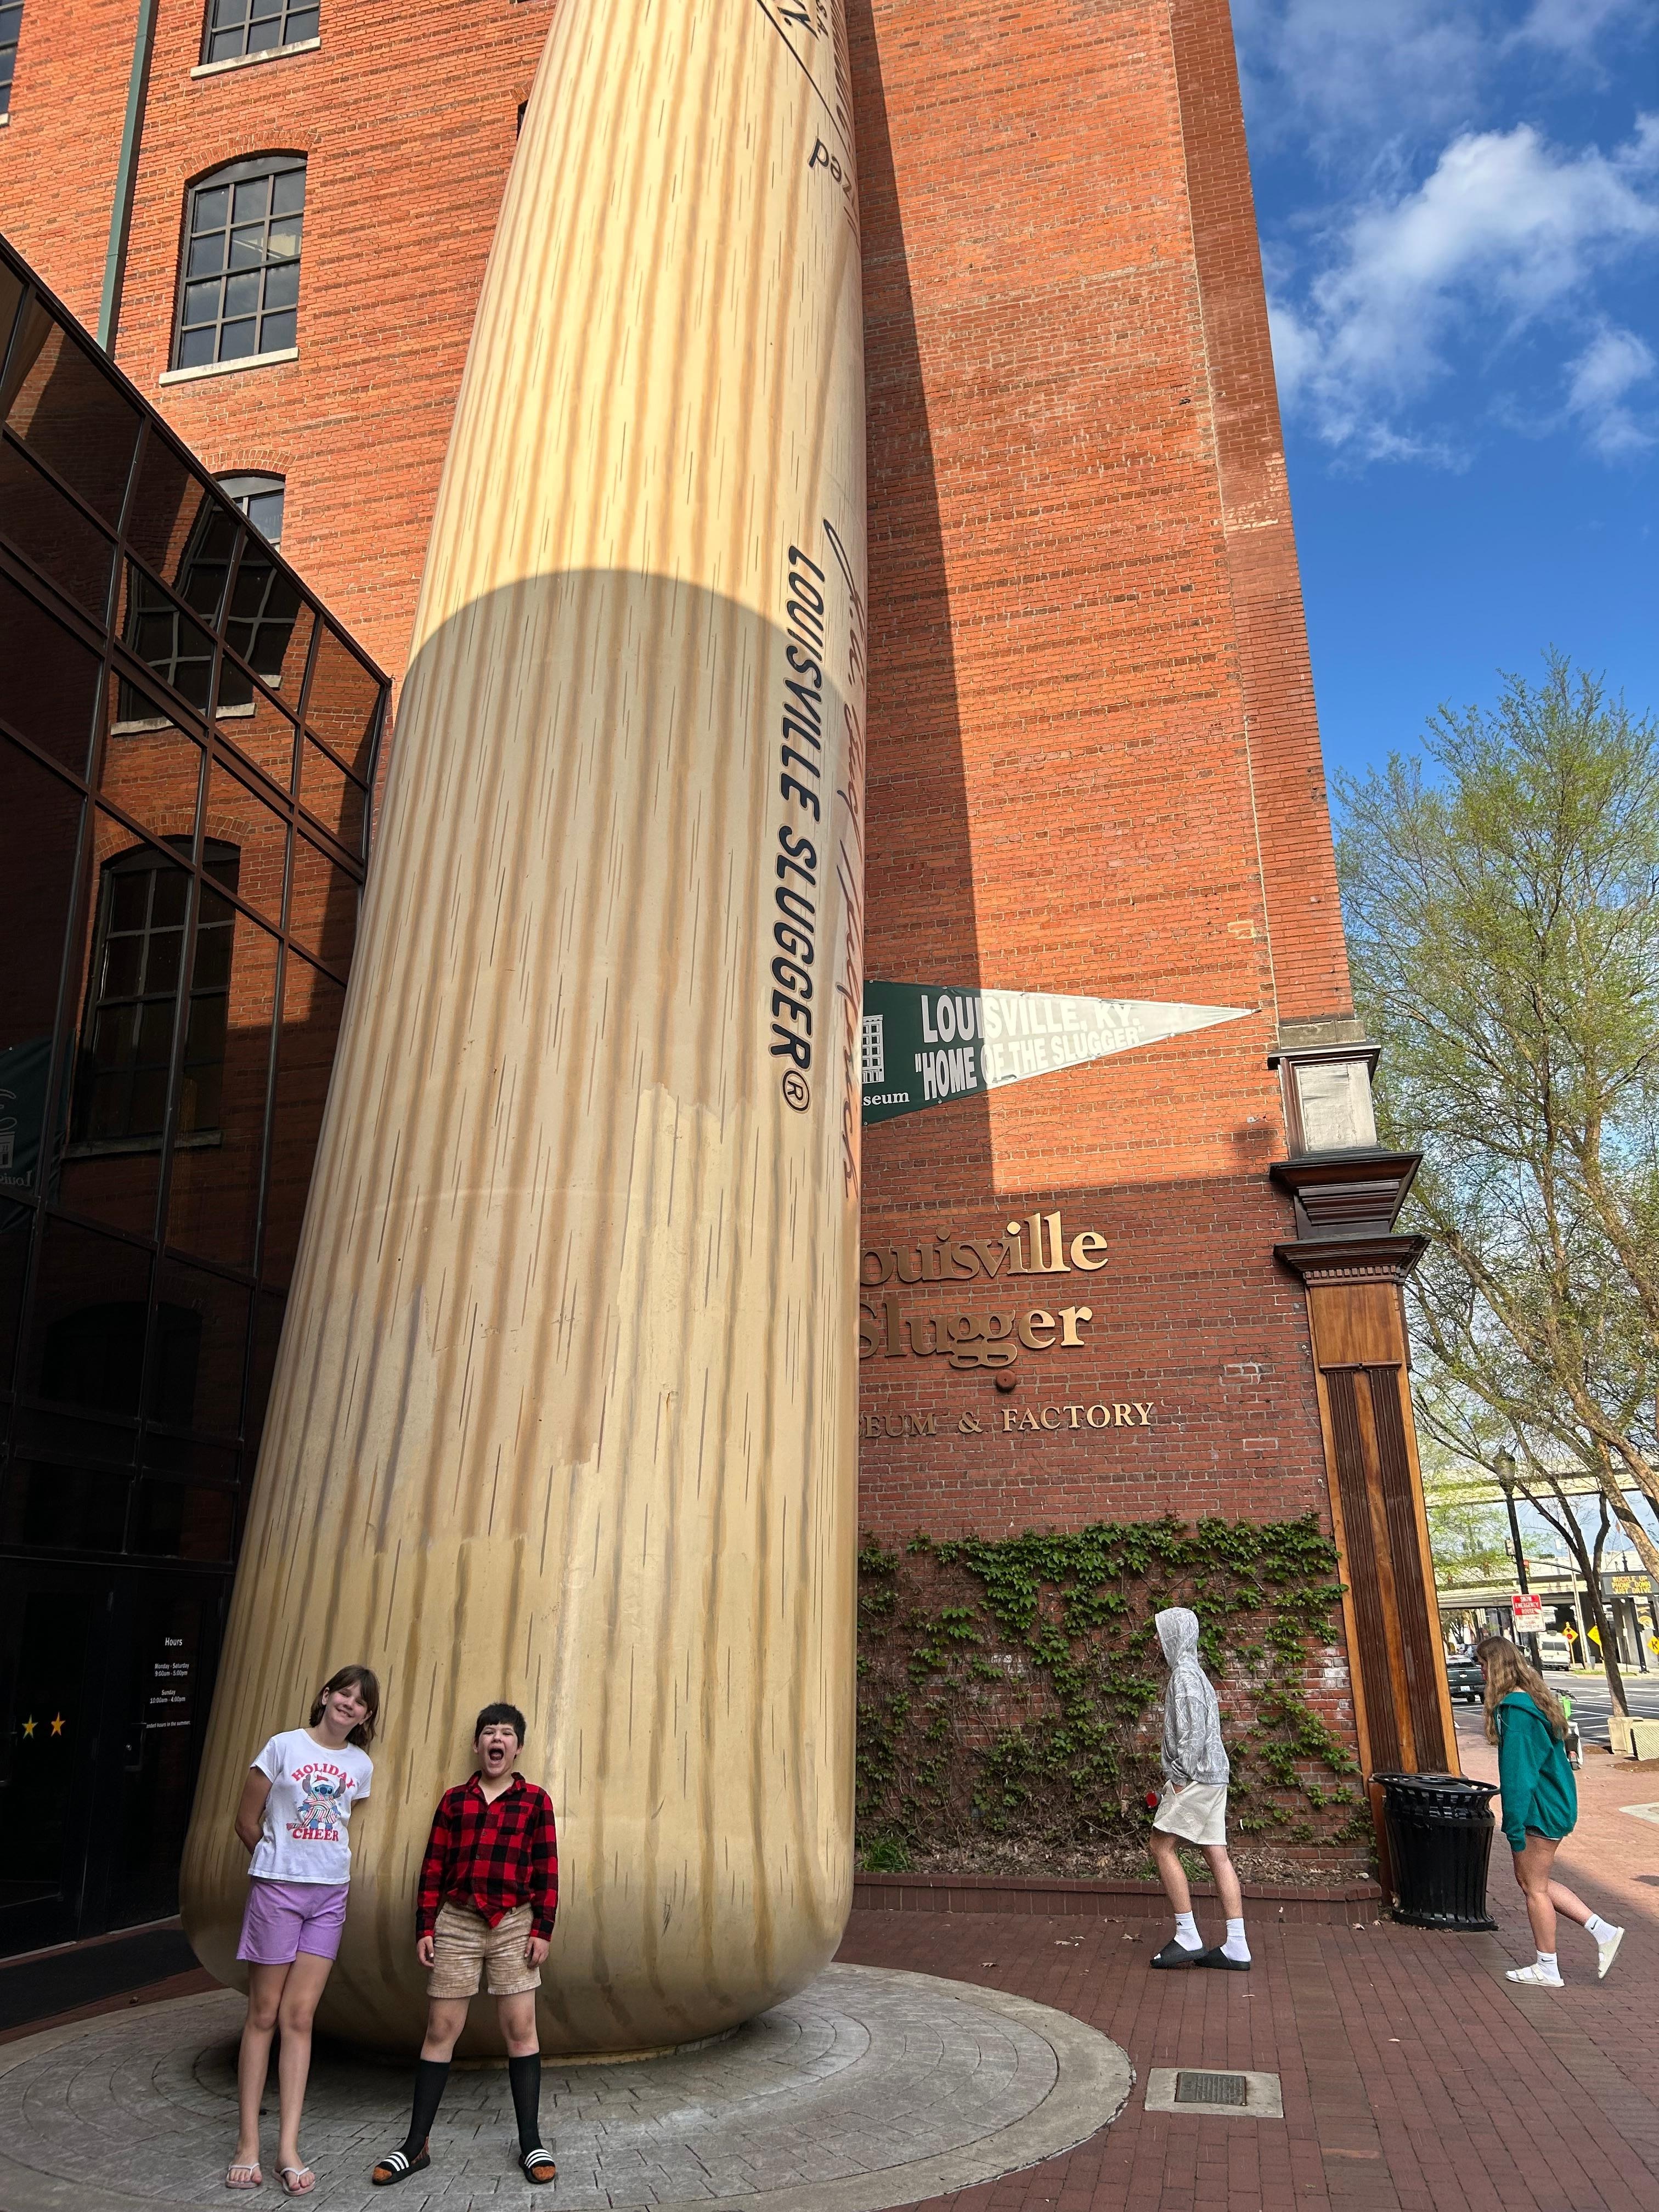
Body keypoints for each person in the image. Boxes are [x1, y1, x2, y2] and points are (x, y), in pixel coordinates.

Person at [371, 1703, 559, 2187]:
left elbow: (547, 1869)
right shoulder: (455, 1800)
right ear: (478, 1746)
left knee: (521, 2029)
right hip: (456, 1920)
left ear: (518, 1747)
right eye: (489, 1733)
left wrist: (544, 1928)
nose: (497, 1740)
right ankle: (417, 2144)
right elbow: (433, 1866)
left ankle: (531, 2140)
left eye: (506, 1734)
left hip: (515, 1922)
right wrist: (425, 1926)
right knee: (441, 2029)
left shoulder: (536, 1801)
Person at [227, 1663, 381, 2196]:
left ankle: (287, 2148)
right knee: (264, 2013)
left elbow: (340, 1823)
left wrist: (312, 1866)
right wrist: (277, 1863)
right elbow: (246, 1820)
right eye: (344, 1693)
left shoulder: (360, 1765)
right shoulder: (283, 1747)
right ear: (325, 1695)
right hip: (277, 1891)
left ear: (366, 1715)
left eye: (360, 1701)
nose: (349, 1704)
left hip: (330, 1895)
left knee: (300, 2017)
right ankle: (248, 2143)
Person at [1476, 1635, 1622, 1985]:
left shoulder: (1515, 1712)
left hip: (1539, 1809)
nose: (1479, 1671)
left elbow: (1518, 1776)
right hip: (1555, 1804)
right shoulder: (1534, 1702)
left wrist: (1511, 1826)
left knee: (1533, 1888)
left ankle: (1548, 1967)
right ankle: (1602, 1932)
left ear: (1494, 1667)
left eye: (1481, 1664)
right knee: (1536, 1882)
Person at [1146, 1607, 1250, 1971]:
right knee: (1215, 1854)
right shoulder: (1197, 1675)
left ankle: (1187, 1934)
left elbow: (1191, 1736)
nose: (1156, 1640)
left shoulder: (1185, 1678)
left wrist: (1178, 1778)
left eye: (1161, 1633)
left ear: (1175, 1637)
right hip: (1214, 1777)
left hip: (1196, 1778)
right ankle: (1237, 1945)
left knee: (1161, 1846)